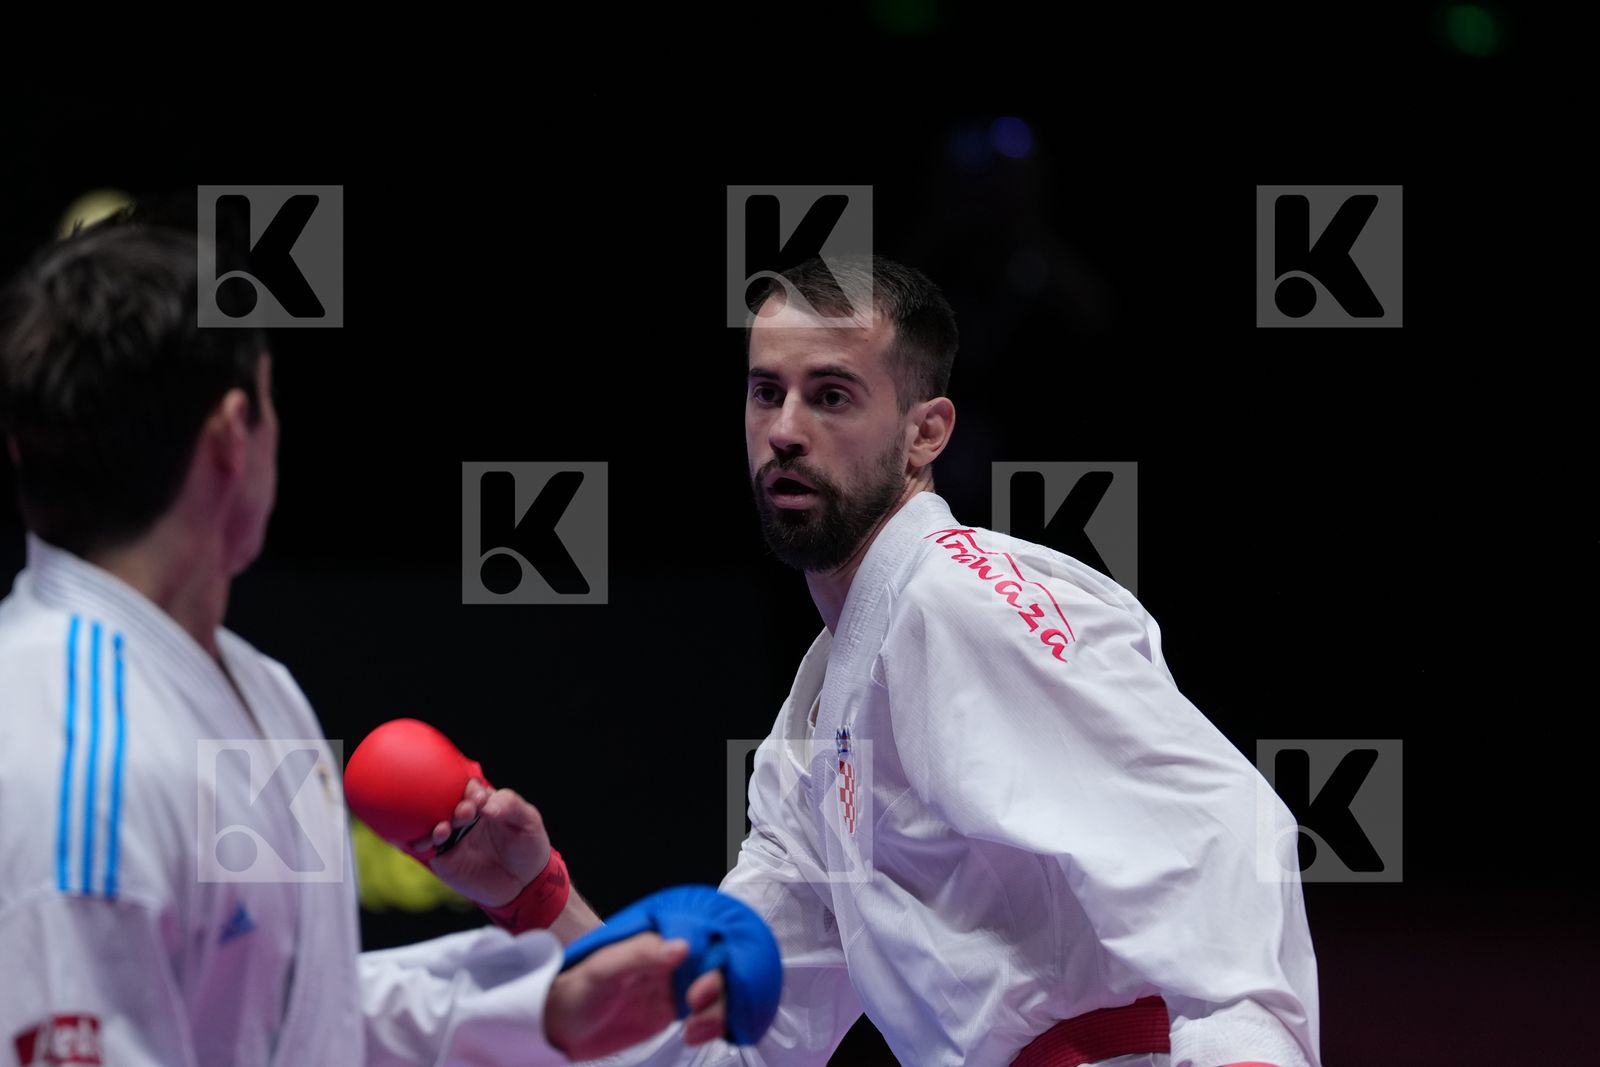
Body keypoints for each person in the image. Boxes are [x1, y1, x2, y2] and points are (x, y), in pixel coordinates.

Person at [464, 255, 1322, 1066]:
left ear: (926, 433)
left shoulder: (961, 598)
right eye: (767, 393)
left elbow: (1216, 830)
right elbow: (735, 1033)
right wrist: (538, 898)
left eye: (831, 395)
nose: (786, 431)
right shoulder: (814, 719)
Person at [0, 218, 729, 1064]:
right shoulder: (64, 760)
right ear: (235, 434)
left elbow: (284, 1016)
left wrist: (542, 1009)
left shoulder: (260, 689)